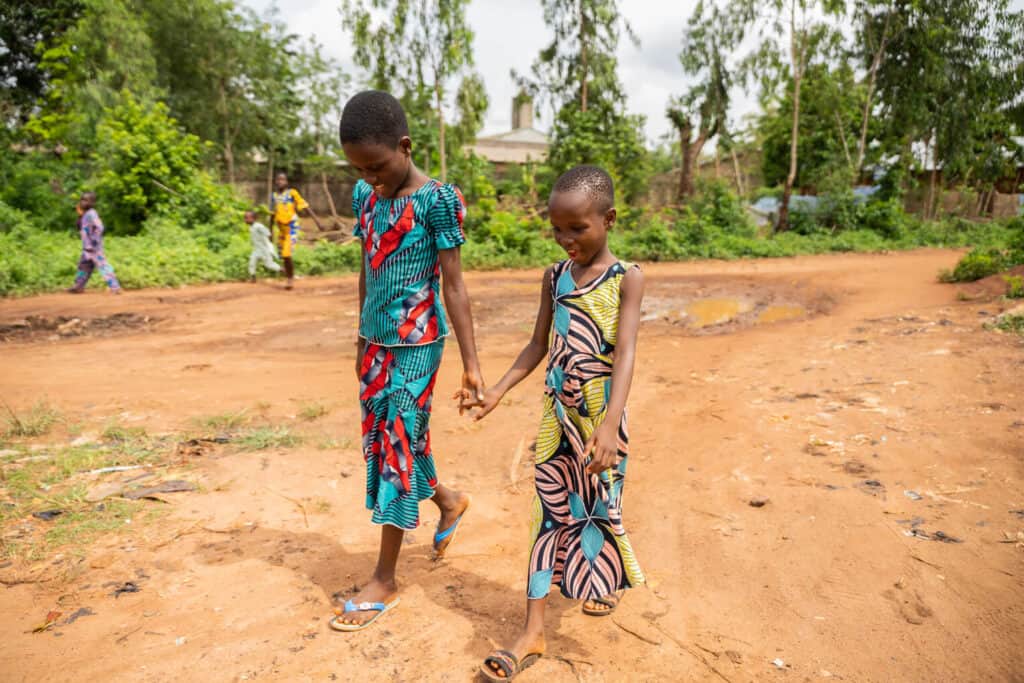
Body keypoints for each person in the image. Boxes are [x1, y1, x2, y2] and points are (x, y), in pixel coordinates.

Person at [471, 165, 646, 680]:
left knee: (597, 507)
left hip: (601, 416)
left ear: (609, 219)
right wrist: (499, 390)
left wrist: (611, 423)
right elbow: (537, 342)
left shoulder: (627, 278)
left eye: (578, 228)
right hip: (557, 417)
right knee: (545, 513)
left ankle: (602, 583)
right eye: (557, 229)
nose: (566, 239)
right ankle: (533, 631)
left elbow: (627, 352)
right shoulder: (553, 276)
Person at [329, 90, 484, 632]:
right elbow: (368, 270)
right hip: (374, 344)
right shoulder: (365, 197)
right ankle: (449, 500)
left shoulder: (437, 201)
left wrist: (472, 364)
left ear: (405, 146)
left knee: (396, 445)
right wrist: (359, 338)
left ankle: (385, 579)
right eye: (359, 169)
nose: (370, 177)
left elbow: (456, 287)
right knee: (390, 441)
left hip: (418, 344)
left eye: (377, 166)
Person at [269, 172, 322, 289]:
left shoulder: (292, 193)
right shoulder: (273, 196)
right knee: (281, 255)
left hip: (291, 228)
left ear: (286, 182)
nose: (280, 182)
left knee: (286, 254)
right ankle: (288, 273)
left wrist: (317, 222)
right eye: (278, 180)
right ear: (275, 182)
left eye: (282, 180)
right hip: (281, 229)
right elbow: (272, 214)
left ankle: (290, 279)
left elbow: (305, 206)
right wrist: (270, 231)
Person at [68, 191, 121, 294]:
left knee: (103, 266)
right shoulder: (85, 214)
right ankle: (78, 286)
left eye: (85, 200)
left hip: (94, 248)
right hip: (87, 248)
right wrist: (80, 216)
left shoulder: (92, 213)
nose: (82, 202)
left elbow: (100, 227)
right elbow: (79, 227)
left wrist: (94, 241)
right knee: (83, 267)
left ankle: (115, 287)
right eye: (82, 199)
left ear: (92, 203)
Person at [245, 209, 281, 281]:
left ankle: (284, 271)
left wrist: (271, 245)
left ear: (253, 218)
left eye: (247, 217)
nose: (245, 219)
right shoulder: (251, 227)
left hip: (265, 249)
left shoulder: (258, 226)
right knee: (252, 262)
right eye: (245, 217)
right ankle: (253, 277)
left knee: (269, 265)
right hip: (257, 249)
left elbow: (268, 234)